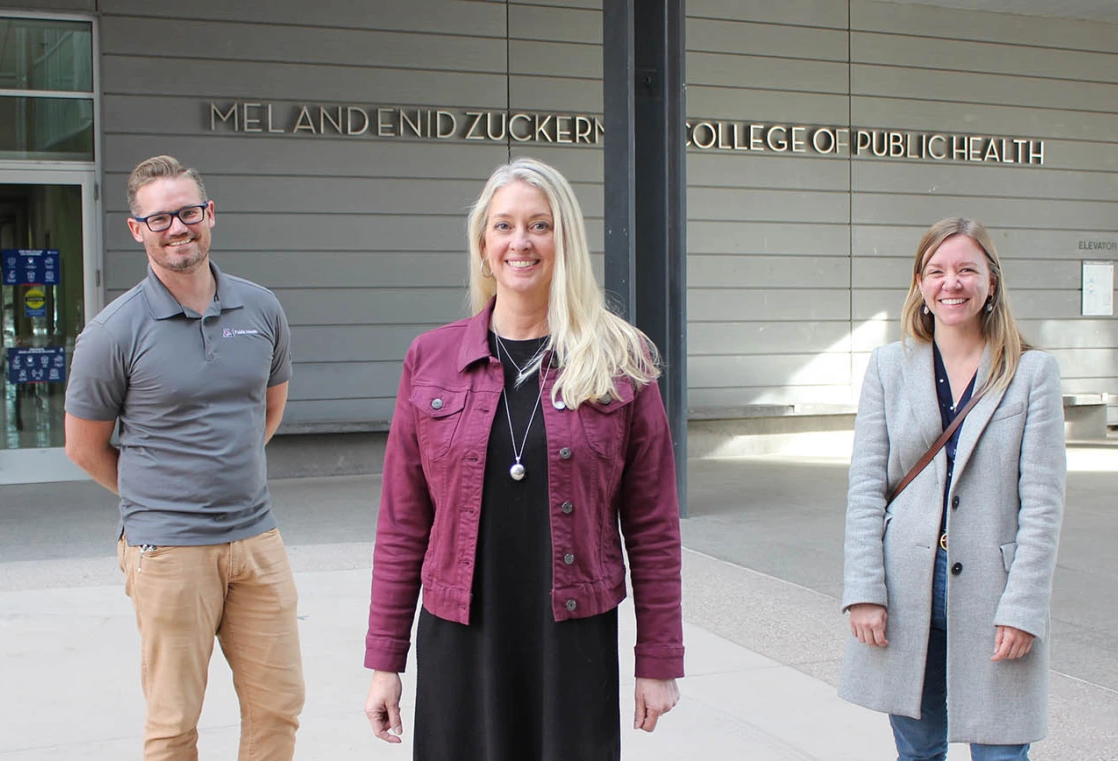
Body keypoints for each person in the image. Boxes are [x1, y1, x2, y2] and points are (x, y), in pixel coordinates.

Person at [363, 157, 684, 760]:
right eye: (504, 226)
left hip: (572, 638)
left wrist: (658, 659)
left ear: (566, 239)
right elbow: (403, 523)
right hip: (460, 633)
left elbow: (653, 527)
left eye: (539, 225)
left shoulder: (623, 359)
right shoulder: (429, 358)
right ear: (483, 242)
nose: (521, 242)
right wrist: (385, 660)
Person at [64, 155, 304, 761]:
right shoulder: (113, 332)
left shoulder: (260, 310)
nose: (177, 228)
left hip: (257, 541)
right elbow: (83, 446)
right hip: (167, 551)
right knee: (174, 725)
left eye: (188, 213)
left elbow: (265, 414)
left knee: (279, 706)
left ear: (209, 215)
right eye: (159, 218)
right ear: (136, 229)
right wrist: (159, 497)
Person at [839, 217, 1066, 760]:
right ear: (920, 284)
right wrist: (864, 589)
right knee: (917, 753)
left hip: (995, 592)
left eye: (967, 269)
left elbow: (1043, 503)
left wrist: (1025, 606)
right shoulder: (889, 366)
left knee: (1001, 753)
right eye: (937, 271)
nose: (952, 283)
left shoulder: (1031, 373)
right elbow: (867, 485)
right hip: (905, 587)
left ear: (992, 281)